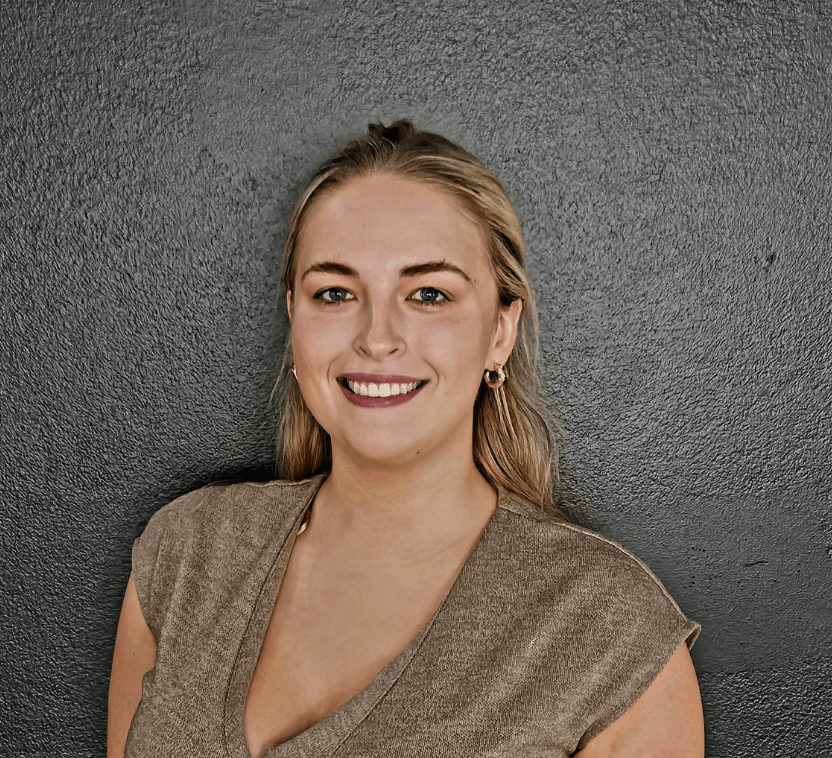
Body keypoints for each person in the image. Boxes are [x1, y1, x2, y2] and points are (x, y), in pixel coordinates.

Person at [108, 120, 703, 758]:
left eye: (427, 294)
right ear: (294, 318)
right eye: (335, 293)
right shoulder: (186, 553)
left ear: (500, 332)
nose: (377, 337)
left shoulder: (605, 632)